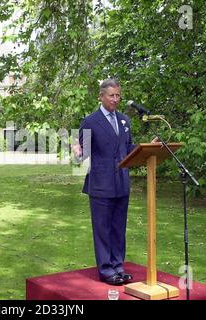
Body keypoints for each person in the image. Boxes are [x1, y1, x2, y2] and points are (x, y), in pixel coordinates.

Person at [72, 78, 137, 285]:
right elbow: (82, 155)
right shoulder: (90, 121)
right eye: (112, 95)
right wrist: (76, 153)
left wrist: (146, 148)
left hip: (122, 184)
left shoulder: (125, 120)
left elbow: (127, 149)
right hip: (101, 185)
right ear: (101, 96)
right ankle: (106, 270)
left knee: (119, 228)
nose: (116, 99)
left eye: (118, 95)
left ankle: (118, 266)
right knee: (103, 229)